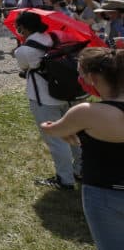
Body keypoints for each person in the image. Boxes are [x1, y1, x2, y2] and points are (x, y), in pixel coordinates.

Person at [41, 47, 124, 250]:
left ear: (91, 77)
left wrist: (56, 128)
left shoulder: (86, 112)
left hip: (103, 196)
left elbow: (52, 129)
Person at [13, 11, 82, 189]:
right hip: (69, 92)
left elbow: (24, 67)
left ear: (23, 27)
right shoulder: (56, 36)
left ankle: (65, 179)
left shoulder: (24, 50)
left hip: (44, 98)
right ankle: (81, 169)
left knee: (57, 139)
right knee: (75, 134)